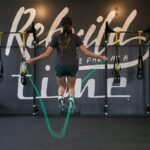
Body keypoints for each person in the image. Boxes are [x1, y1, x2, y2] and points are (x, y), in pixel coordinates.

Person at [26, 16, 107, 112]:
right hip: (72, 65)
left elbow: (47, 54)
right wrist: (100, 57)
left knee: (62, 86)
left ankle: (60, 98)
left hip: (60, 65)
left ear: (61, 26)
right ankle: (71, 101)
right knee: (71, 87)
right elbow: (86, 52)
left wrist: (33, 59)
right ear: (71, 26)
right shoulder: (76, 37)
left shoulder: (56, 38)